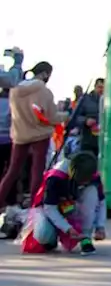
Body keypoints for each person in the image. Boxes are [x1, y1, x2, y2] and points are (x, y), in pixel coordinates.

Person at [0, 61, 67, 208]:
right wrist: (65, 115)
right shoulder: (43, 91)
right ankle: (34, 205)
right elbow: (50, 116)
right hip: (39, 134)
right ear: (45, 74)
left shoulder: (15, 89)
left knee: (12, 170)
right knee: (37, 171)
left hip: (19, 134)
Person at [19, 151, 105, 254]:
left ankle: (85, 237)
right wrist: (67, 228)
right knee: (42, 235)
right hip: (51, 209)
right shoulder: (55, 178)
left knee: (91, 192)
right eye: (82, 181)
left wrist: (100, 226)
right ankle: (52, 237)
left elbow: (101, 202)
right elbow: (49, 208)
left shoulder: (93, 176)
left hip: (72, 208)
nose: (85, 183)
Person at [0, 48, 22, 206]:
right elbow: (11, 80)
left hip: (8, 137)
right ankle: (10, 200)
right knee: (12, 170)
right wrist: (18, 62)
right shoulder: (9, 101)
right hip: (8, 138)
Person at [67, 79, 104, 157]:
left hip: (104, 141)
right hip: (88, 140)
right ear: (95, 87)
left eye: (104, 88)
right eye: (100, 87)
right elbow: (75, 117)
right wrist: (85, 120)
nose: (102, 90)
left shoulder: (110, 100)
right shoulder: (85, 99)